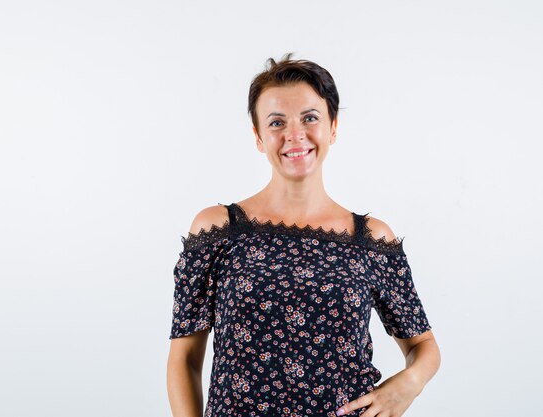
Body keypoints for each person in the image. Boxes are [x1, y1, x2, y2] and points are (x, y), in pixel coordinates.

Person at [166, 53, 441, 417]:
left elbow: (424, 346)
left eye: (309, 118)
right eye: (277, 122)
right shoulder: (217, 231)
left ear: (333, 127)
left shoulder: (372, 240)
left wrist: (407, 385)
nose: (295, 135)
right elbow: (184, 360)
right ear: (259, 137)